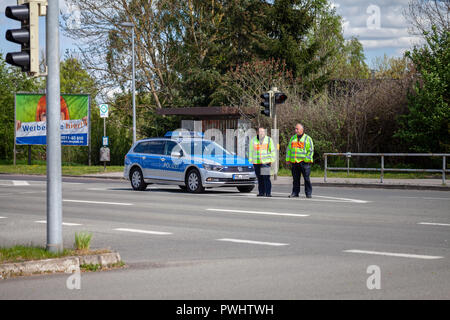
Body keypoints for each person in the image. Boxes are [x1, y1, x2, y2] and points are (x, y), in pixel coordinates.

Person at [286, 123, 314, 198]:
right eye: (295, 129)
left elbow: (311, 150)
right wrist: (288, 159)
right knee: (295, 179)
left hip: (304, 162)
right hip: (295, 162)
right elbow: (289, 149)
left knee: (306, 179)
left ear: (302, 130)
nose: (295, 130)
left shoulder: (307, 138)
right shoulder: (293, 138)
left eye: (297, 129)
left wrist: (306, 159)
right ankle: (295, 193)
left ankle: (308, 193)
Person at [248, 127, 276, 197]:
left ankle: (268, 193)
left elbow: (272, 151)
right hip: (256, 162)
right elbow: (250, 151)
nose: (262, 133)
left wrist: (272, 160)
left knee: (266, 178)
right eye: (260, 132)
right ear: (257, 132)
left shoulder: (269, 140)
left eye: (263, 132)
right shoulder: (253, 140)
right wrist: (251, 160)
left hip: (265, 162)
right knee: (260, 178)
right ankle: (261, 192)